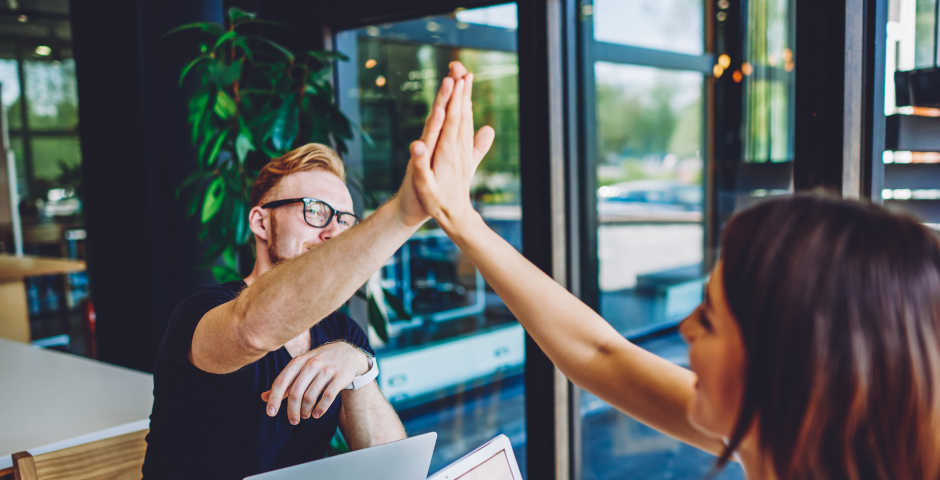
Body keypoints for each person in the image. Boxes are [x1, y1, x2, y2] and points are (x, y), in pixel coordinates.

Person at [410, 67, 940, 479]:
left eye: (709, 319)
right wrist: (460, 217)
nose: (684, 327)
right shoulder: (787, 432)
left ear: (792, 365)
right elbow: (600, 356)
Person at [142, 63, 486, 479]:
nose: (333, 231)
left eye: (344, 219)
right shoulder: (200, 312)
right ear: (260, 222)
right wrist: (403, 214)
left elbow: (393, 469)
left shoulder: (341, 335)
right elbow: (252, 330)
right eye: (315, 211)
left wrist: (358, 366)